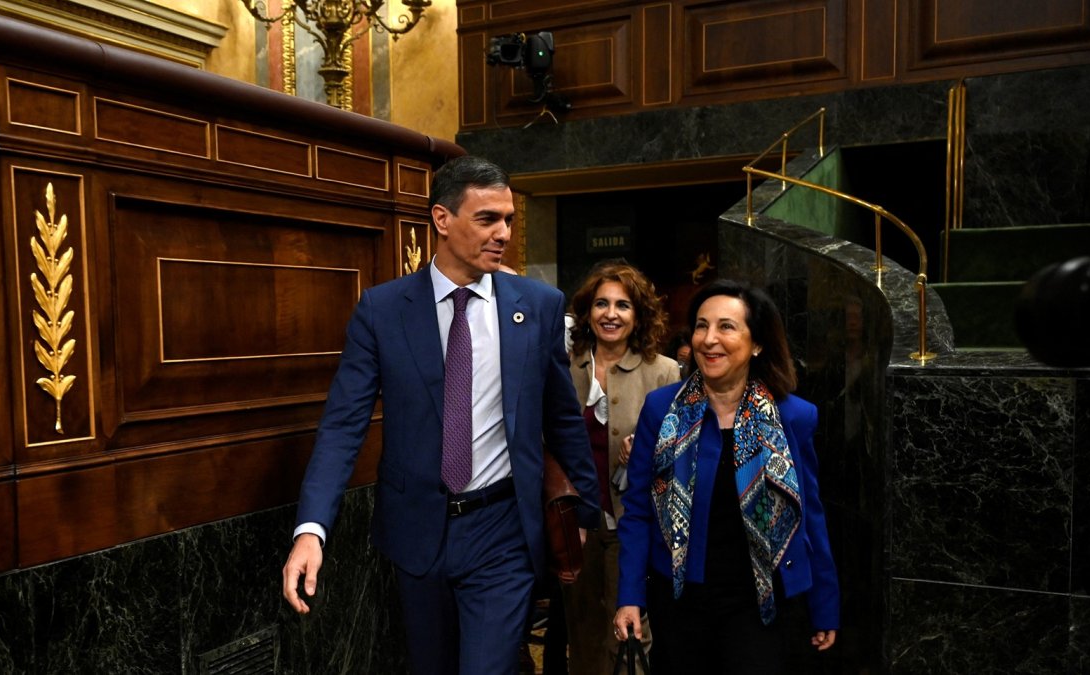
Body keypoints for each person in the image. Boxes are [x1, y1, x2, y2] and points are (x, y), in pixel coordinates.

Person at [281, 155, 602, 675]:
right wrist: (311, 529)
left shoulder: (538, 306)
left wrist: (582, 511)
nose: (502, 233)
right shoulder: (382, 311)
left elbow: (563, 417)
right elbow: (343, 426)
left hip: (504, 530)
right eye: (487, 219)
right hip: (417, 532)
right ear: (441, 220)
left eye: (508, 220)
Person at [613, 279, 840, 674]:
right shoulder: (661, 410)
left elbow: (810, 516)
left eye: (726, 327)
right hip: (681, 599)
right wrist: (630, 595)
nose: (709, 339)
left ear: (757, 343)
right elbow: (637, 511)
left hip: (763, 602)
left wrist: (825, 605)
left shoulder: (793, 417)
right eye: (701, 326)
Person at [564, 261, 680, 675]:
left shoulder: (664, 372)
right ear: (587, 312)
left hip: (631, 526)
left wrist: (651, 451)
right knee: (582, 635)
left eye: (623, 305)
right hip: (573, 527)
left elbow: (682, 458)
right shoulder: (563, 365)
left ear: (639, 315)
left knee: (629, 634)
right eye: (601, 304)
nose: (610, 314)